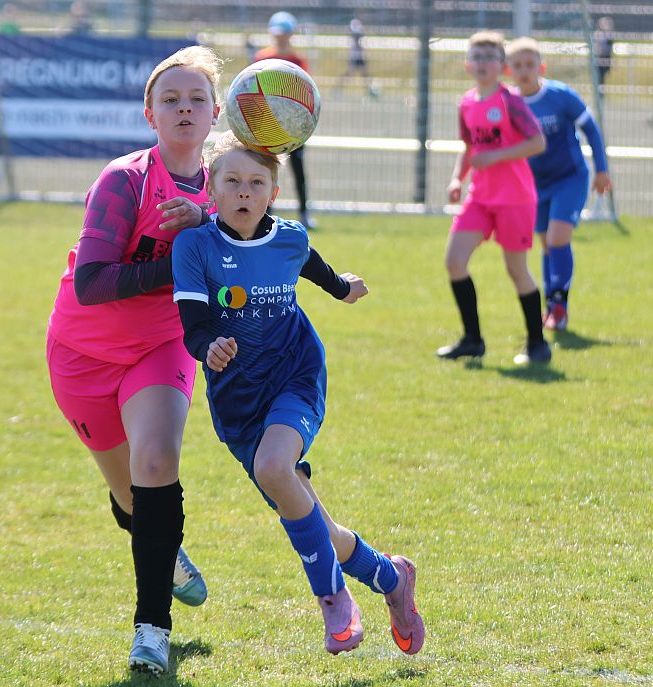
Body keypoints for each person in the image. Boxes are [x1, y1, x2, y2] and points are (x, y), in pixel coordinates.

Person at [172, 131, 425, 656]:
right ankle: (391, 578)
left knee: (273, 469)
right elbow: (193, 323)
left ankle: (333, 600)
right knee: (316, 525)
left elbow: (311, 265)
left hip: (295, 374)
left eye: (256, 183)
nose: (244, 192)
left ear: (273, 193)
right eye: (232, 181)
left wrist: (342, 288)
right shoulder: (194, 246)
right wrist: (208, 346)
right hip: (238, 400)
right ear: (211, 190)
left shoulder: (289, 238)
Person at [45, 45, 223, 676]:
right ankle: (162, 546)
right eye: (169, 99)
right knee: (129, 494)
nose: (183, 108)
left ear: (215, 112)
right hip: (82, 351)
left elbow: (259, 246)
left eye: (196, 99)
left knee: (157, 462)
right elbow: (93, 283)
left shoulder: (225, 186)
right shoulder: (124, 179)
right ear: (150, 113)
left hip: (161, 343)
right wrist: (175, 260)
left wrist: (209, 224)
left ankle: (151, 627)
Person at [438, 31, 549, 364]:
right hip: (480, 198)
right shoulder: (467, 102)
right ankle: (473, 340)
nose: (483, 62)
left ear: (503, 66)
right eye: (477, 56)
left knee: (517, 271)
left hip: (515, 198)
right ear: (468, 64)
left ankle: (537, 344)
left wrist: (496, 157)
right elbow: (470, 147)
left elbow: (537, 143)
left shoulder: (510, 101)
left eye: (490, 57)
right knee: (454, 262)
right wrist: (458, 177)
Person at [506, 37, 612, 331]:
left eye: (530, 64)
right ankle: (550, 308)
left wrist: (602, 170)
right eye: (518, 65)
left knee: (557, 238)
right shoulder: (508, 104)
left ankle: (560, 307)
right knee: (546, 245)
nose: (524, 70)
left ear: (541, 66)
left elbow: (591, 129)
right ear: (508, 70)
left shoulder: (560, 95)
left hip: (570, 178)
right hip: (534, 185)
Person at [255, 11, 315, 228]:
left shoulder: (298, 61)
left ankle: (304, 213)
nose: (281, 38)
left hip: (292, 126)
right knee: (265, 170)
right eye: (278, 33)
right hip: (267, 124)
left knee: (298, 168)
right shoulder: (262, 58)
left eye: (285, 33)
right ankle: (265, 212)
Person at [335, 17, 377, 97]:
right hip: (354, 57)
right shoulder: (354, 37)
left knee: (365, 75)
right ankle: (338, 89)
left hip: (360, 57)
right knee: (350, 74)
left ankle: (369, 92)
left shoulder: (359, 36)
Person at [592, 16, 614, 86]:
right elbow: (596, 47)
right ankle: (599, 94)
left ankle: (600, 94)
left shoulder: (609, 35)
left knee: (602, 79)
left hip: (606, 59)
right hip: (599, 59)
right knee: (598, 78)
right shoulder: (598, 34)